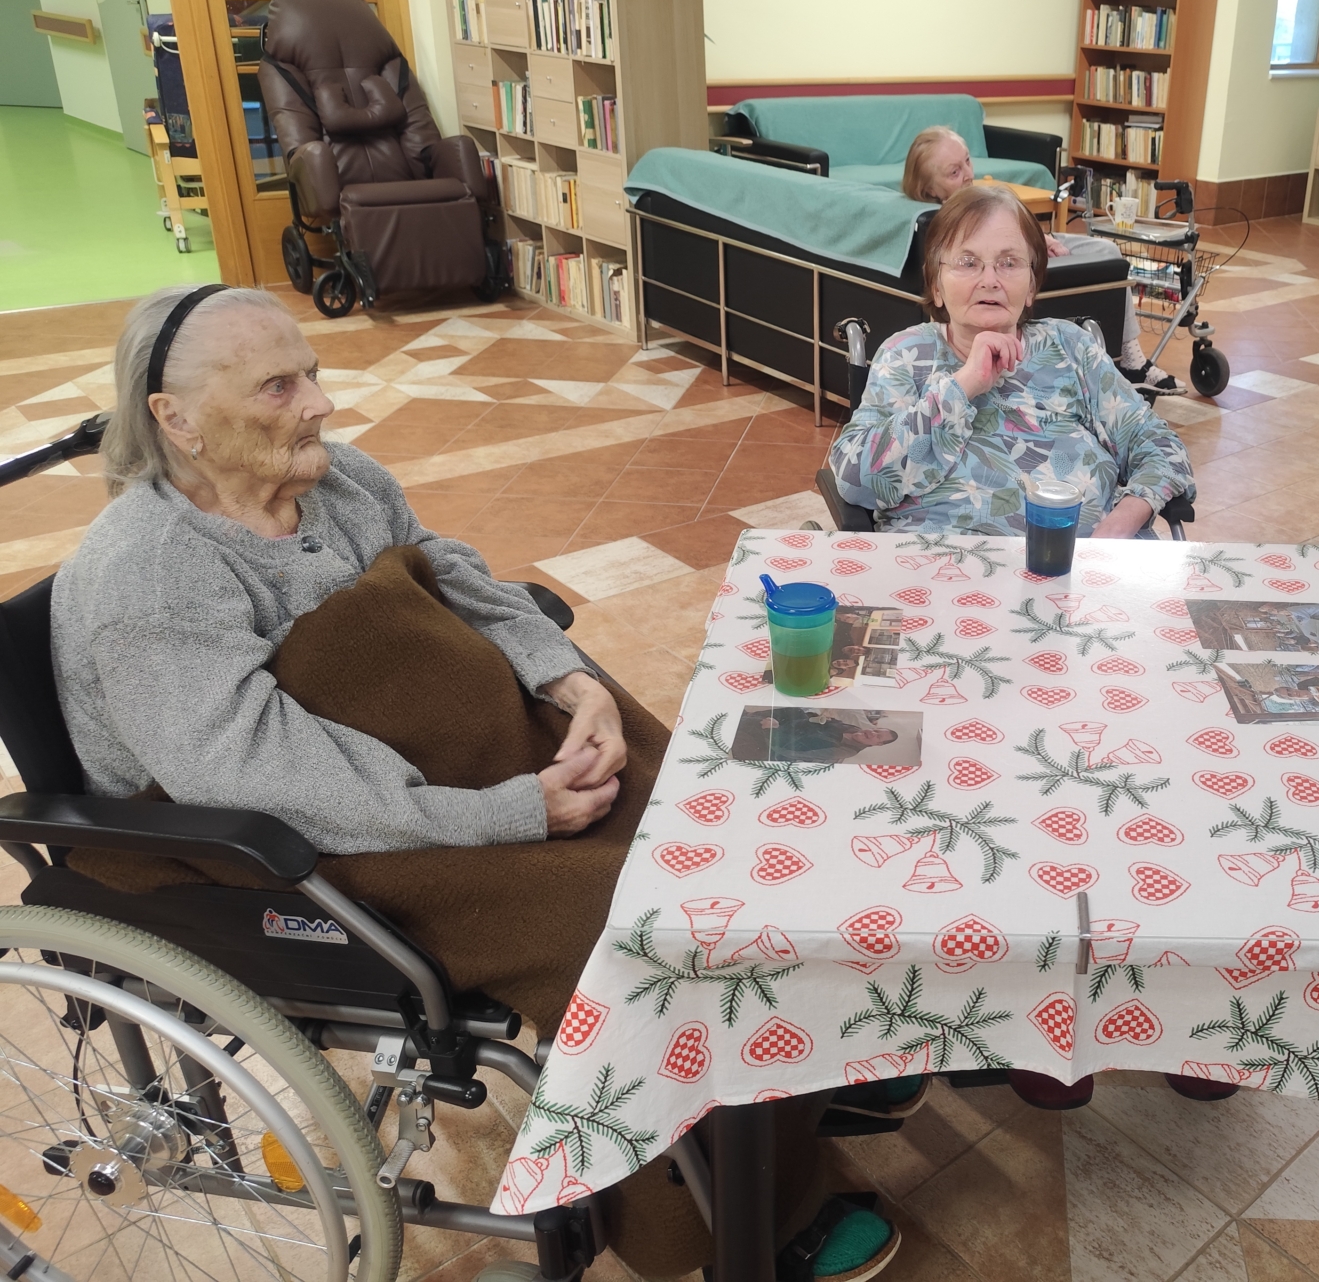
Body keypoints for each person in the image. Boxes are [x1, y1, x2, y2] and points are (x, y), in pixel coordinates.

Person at [52, 283, 899, 1280]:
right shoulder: (149, 576)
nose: (320, 403)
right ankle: (738, 1219)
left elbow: (450, 575)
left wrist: (570, 682)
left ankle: (797, 1066)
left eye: (311, 374)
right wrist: (513, 812)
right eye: (279, 387)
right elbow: (260, 774)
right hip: (289, 845)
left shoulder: (341, 480)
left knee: (710, 814)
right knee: (630, 923)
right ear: (177, 419)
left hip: (438, 768)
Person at [828, 182, 1193, 537]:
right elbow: (855, 479)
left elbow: (1161, 447)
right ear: (936, 285)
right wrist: (962, 386)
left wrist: (1122, 521)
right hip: (944, 566)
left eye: (1008, 263)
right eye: (968, 262)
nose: (989, 280)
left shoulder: (1071, 348)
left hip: (1082, 564)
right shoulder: (906, 355)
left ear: (1032, 286)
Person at [900, 125, 1185, 393]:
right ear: (930, 190)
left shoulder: (1073, 340)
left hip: (1035, 240)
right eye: (954, 172)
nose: (967, 175)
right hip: (1034, 245)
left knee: (1109, 251)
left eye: (967, 162)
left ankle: (1132, 355)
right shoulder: (945, 222)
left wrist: (1035, 238)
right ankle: (1133, 361)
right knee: (1107, 253)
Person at [761, 709, 899, 762]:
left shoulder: (845, 751)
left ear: (878, 744)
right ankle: (755, 717)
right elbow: (829, 722)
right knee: (796, 711)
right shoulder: (855, 729)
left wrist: (773, 731)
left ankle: (759, 722)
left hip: (783, 741)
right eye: (877, 730)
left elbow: (794, 752)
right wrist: (820, 718)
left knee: (757, 724)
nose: (872, 733)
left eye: (878, 737)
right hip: (796, 726)